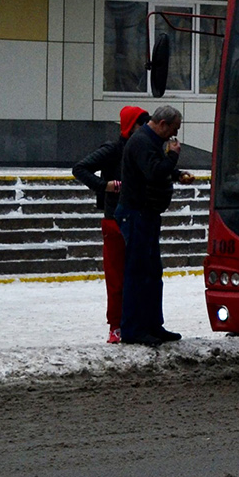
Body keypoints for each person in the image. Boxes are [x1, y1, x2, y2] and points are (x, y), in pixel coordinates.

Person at [116, 105, 194, 347]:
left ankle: (152, 325)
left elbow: (157, 170)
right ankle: (132, 329)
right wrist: (172, 156)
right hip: (136, 213)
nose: (174, 135)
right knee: (138, 273)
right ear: (162, 124)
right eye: (173, 129)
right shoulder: (141, 142)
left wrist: (176, 173)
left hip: (146, 214)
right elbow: (153, 172)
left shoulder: (150, 142)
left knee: (152, 273)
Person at [72, 105, 148, 344]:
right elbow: (80, 168)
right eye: (140, 124)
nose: (144, 128)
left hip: (137, 217)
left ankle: (133, 322)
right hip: (115, 219)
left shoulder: (143, 148)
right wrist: (104, 185)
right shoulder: (114, 149)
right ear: (129, 126)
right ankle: (116, 326)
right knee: (116, 277)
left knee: (137, 275)